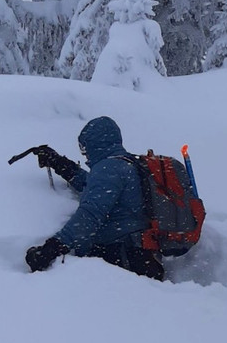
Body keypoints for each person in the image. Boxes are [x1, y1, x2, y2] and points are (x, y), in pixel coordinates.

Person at [24, 116, 165, 281]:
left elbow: (90, 214)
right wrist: (59, 163)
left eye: (84, 147)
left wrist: (51, 248)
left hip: (121, 259)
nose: (84, 154)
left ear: (95, 143)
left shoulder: (108, 169)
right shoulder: (127, 164)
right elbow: (92, 187)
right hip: (142, 257)